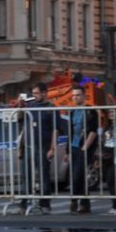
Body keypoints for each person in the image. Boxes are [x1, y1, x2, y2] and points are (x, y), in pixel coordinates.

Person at [19, 82, 59, 214]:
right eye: (33, 93)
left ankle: (45, 204)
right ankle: (24, 203)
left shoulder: (51, 107)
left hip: (43, 146)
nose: (34, 96)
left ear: (44, 93)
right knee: (26, 176)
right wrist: (21, 147)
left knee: (43, 177)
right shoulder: (30, 106)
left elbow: (55, 129)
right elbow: (22, 124)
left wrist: (52, 148)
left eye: (36, 93)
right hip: (29, 146)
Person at [64, 86, 98, 214]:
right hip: (73, 146)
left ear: (84, 96)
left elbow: (94, 130)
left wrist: (86, 146)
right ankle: (75, 200)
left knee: (81, 175)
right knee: (74, 175)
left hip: (84, 147)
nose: (75, 98)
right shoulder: (72, 111)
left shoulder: (90, 111)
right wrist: (67, 151)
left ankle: (82, 203)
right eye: (73, 95)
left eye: (78, 95)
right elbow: (70, 131)